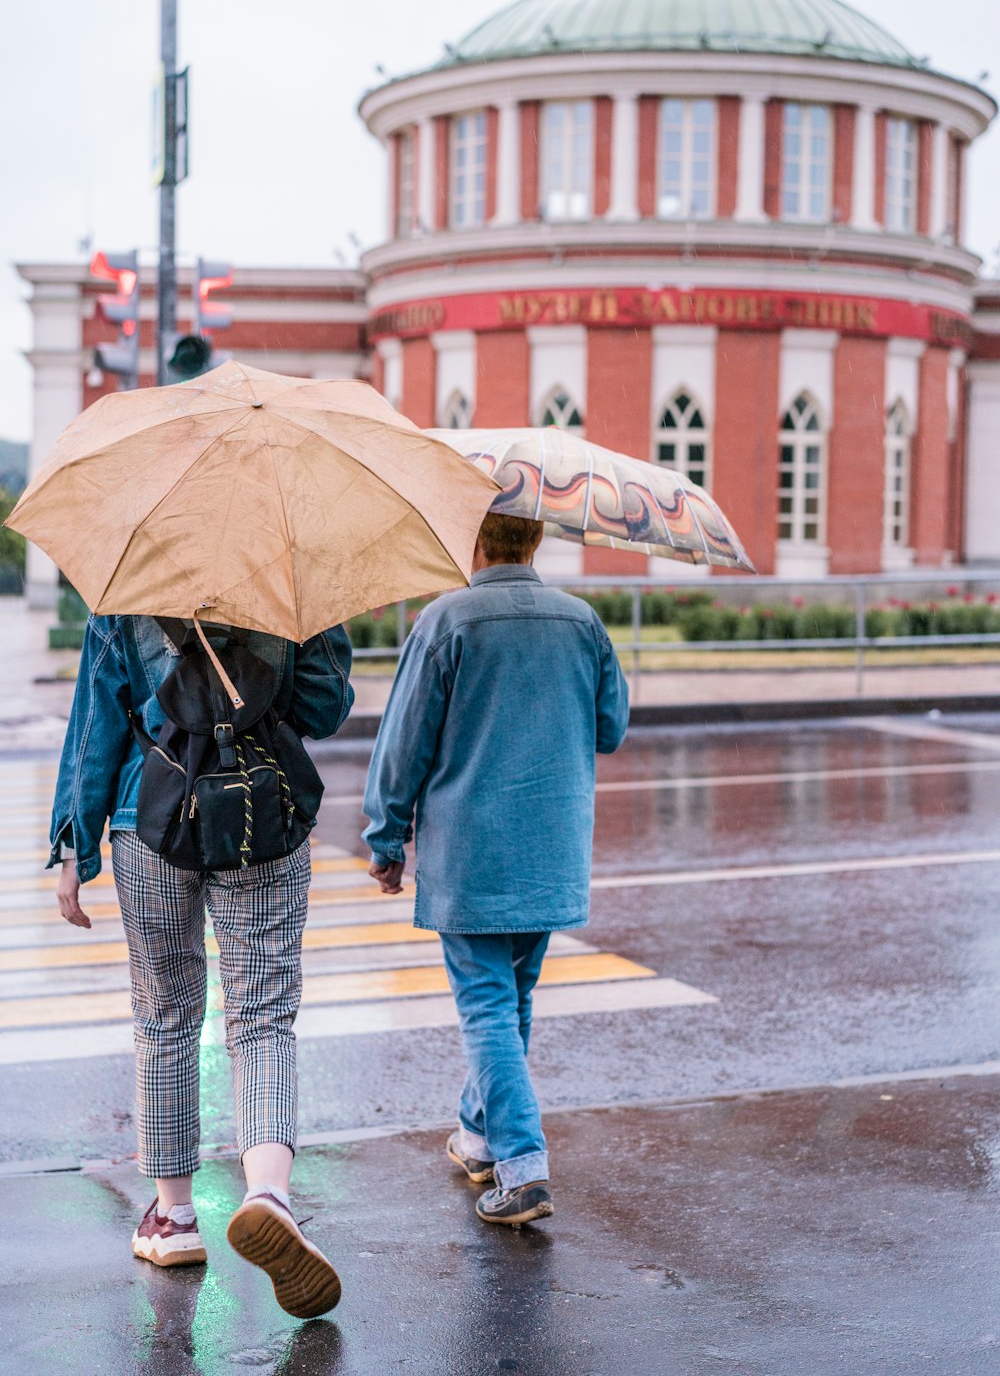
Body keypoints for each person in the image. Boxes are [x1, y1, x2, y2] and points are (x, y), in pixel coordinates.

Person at [51, 613, 353, 1319]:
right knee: (263, 1015)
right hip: (261, 816)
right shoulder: (291, 580)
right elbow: (326, 706)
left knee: (164, 1015)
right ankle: (269, 1192)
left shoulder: (129, 587)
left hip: (149, 816)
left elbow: (97, 720)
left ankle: (175, 1217)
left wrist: (75, 847)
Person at [362, 514, 630, 1226]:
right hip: (552, 846)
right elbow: (611, 726)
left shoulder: (447, 620)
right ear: (536, 542)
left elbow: (404, 743)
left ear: (473, 543)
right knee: (510, 1000)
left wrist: (386, 837)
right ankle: (479, 1137)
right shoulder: (582, 621)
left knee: (485, 1004)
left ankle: (522, 1165)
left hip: (472, 852)